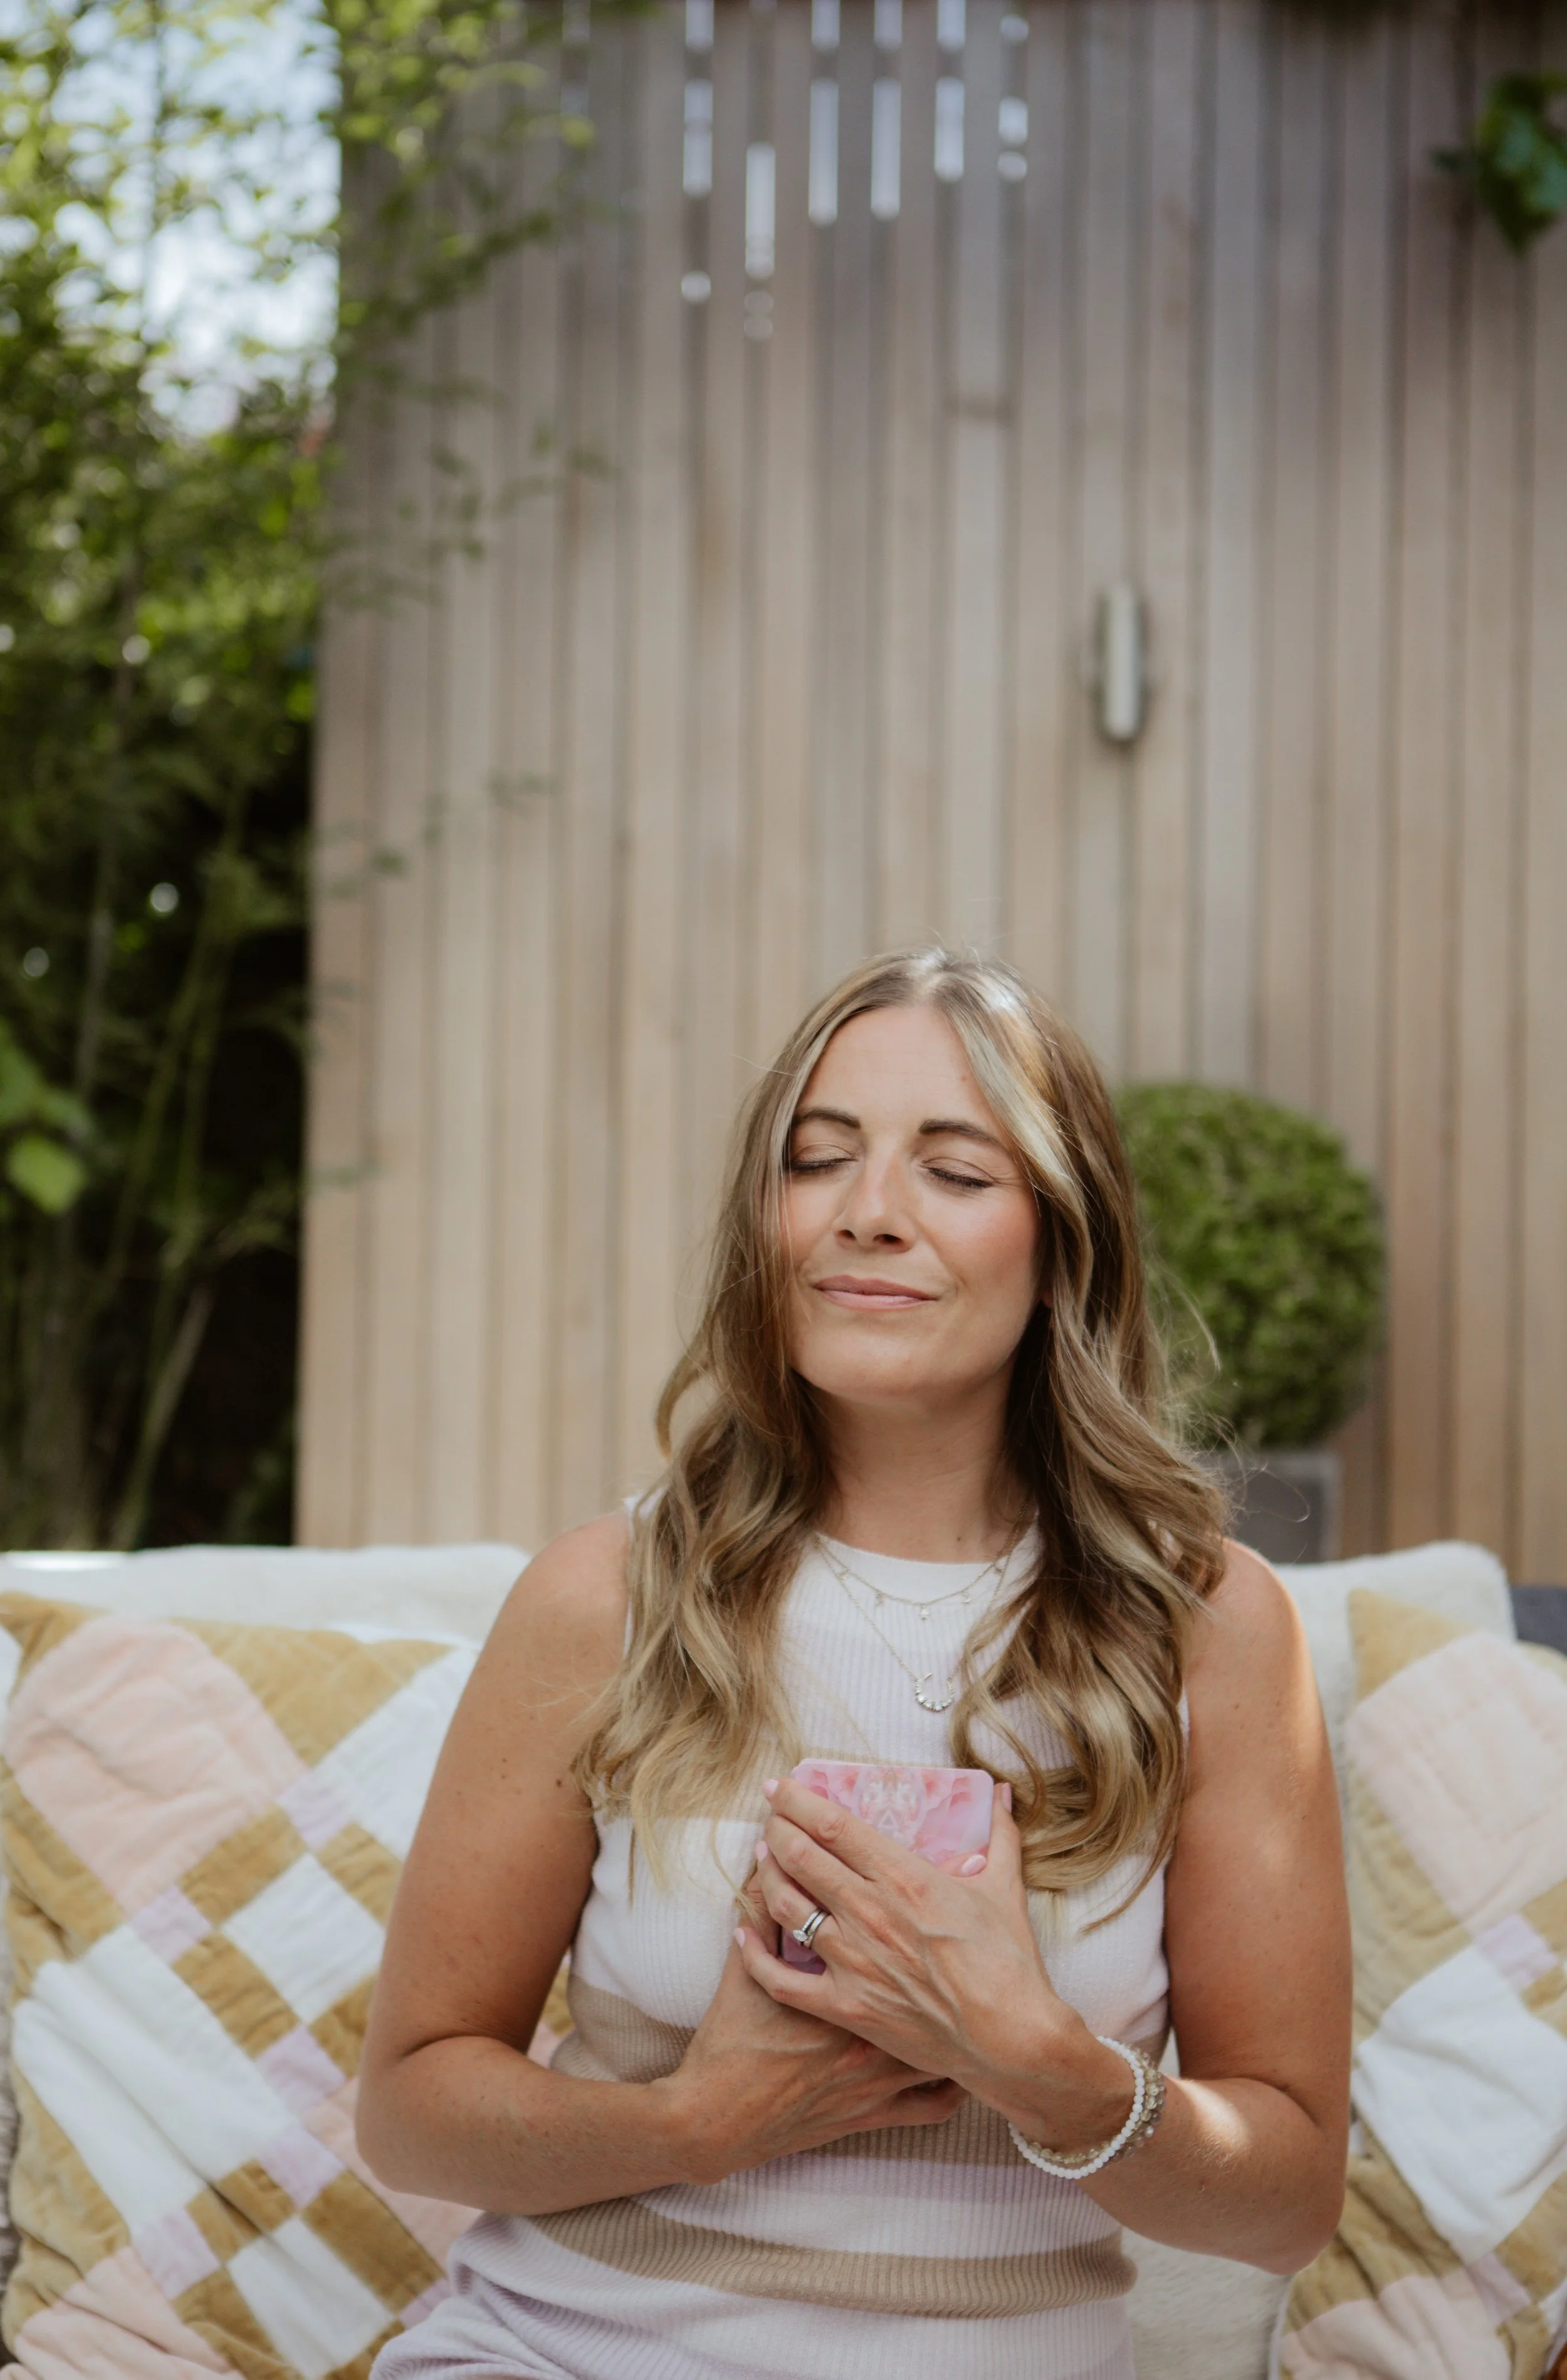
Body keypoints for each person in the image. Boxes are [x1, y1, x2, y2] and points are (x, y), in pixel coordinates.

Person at [359, 948, 1351, 2380]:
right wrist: (700, 2120)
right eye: (817, 1159)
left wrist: (1036, 2061)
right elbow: (407, 2106)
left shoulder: (1207, 1631)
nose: (868, 1213)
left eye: (954, 1171)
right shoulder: (608, 1597)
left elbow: (1285, 2201)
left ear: (1061, 1238)